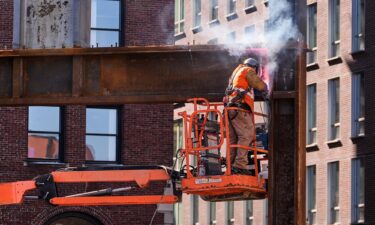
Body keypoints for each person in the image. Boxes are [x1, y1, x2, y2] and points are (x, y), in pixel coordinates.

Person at [224, 58, 268, 175]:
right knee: (247, 135)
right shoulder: (248, 70)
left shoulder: (236, 73)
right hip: (240, 109)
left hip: (231, 109)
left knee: (234, 140)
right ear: (254, 67)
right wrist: (265, 88)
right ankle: (239, 165)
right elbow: (258, 83)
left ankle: (231, 166)